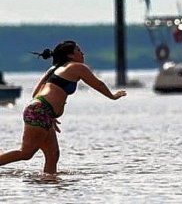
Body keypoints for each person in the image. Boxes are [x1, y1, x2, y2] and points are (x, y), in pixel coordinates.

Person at [0, 40, 127, 174]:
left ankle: (50, 183)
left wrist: (50, 115)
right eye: (78, 50)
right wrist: (112, 96)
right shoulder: (77, 67)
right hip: (40, 110)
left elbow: (36, 93)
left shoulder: (53, 69)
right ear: (70, 55)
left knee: (53, 154)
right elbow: (98, 84)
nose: (82, 53)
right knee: (26, 153)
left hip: (41, 110)